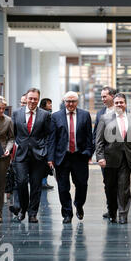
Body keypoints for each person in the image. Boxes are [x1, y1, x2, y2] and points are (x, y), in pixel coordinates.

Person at [95, 93, 131, 224]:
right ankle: (112, 212)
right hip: (109, 159)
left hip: (126, 158)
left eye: (121, 102)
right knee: (110, 188)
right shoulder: (104, 118)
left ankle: (123, 215)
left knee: (124, 188)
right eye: (116, 103)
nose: (119, 105)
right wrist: (100, 157)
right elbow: (99, 140)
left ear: (125, 104)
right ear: (114, 104)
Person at [48, 91, 94, 224]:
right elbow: (52, 139)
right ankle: (67, 213)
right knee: (63, 187)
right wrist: (50, 158)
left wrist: (88, 153)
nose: (70, 104)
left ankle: (79, 204)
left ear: (77, 102)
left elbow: (89, 137)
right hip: (62, 157)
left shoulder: (85, 115)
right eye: (68, 101)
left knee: (82, 184)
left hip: (80, 157)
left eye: (73, 101)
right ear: (64, 102)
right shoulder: (56, 116)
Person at [12, 88, 51, 223]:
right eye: (30, 98)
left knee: (36, 185)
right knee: (21, 183)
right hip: (21, 155)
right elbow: (13, 133)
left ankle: (33, 213)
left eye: (35, 99)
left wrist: (44, 150)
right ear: (26, 99)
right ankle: (23, 209)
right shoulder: (17, 113)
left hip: (38, 155)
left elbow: (48, 134)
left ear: (38, 100)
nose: (33, 101)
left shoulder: (45, 115)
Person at [93, 86, 117, 219]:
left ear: (112, 96)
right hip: (106, 154)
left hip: (120, 154)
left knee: (121, 183)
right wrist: (96, 153)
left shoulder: (122, 111)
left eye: (104, 96)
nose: (102, 99)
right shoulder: (100, 113)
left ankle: (121, 208)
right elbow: (96, 134)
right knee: (108, 183)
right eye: (101, 96)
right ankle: (111, 209)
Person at [39, 98, 54, 189]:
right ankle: (43, 182)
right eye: (49, 104)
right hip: (45, 143)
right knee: (45, 165)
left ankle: (44, 182)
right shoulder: (46, 115)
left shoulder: (47, 113)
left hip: (45, 142)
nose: (50, 105)